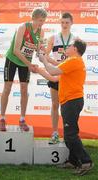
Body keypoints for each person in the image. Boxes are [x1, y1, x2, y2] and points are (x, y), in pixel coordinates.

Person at [37, 39, 93, 176]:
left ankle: (86, 162)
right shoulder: (72, 62)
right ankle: (73, 161)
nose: (66, 48)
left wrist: (43, 59)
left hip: (72, 101)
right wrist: (38, 70)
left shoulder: (74, 61)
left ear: (75, 49)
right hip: (70, 101)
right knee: (69, 134)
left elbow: (53, 71)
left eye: (69, 46)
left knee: (71, 134)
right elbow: (54, 79)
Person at [0, 8, 47, 131]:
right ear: (34, 18)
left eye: (43, 21)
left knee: (24, 89)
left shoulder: (41, 32)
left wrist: (44, 57)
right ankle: (2, 118)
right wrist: (29, 64)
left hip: (26, 63)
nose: (42, 23)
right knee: (7, 87)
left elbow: (39, 50)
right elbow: (15, 50)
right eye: (40, 20)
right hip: (12, 59)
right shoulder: (23, 27)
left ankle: (22, 119)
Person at [45, 12, 76, 144]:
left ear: (71, 23)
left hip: (68, 77)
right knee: (54, 104)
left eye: (67, 22)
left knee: (67, 107)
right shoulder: (53, 37)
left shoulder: (75, 39)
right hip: (55, 75)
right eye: (62, 22)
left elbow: (76, 59)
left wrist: (64, 66)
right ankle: (55, 133)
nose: (64, 25)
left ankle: (68, 135)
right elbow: (46, 56)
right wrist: (57, 65)